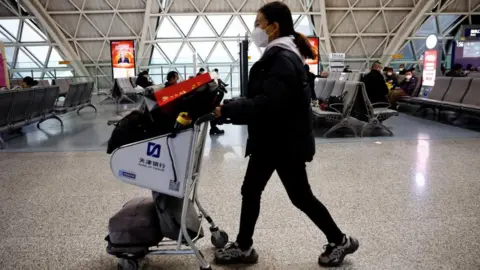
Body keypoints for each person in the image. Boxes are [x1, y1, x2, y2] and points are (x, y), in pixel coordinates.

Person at [213, 2, 359, 267]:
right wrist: (234, 105)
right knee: (252, 190)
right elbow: (265, 97)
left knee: (299, 196)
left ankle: (340, 241)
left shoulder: (281, 58)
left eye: (258, 23)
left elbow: (268, 103)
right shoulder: (281, 54)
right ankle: (244, 247)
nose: (255, 29)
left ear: (273, 26)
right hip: (274, 139)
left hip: (282, 142)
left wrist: (227, 110)